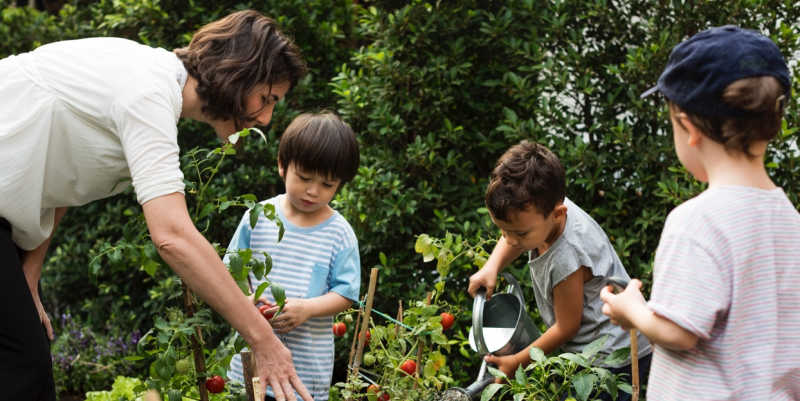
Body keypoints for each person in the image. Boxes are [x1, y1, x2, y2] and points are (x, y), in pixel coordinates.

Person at [0, 10, 315, 401]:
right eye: (266, 98)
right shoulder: (147, 90)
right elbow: (172, 236)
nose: (266, 118)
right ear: (238, 72)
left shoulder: (152, 85)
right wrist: (263, 340)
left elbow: (61, 176)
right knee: (22, 367)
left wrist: (29, 273)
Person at [600, 26, 800, 400]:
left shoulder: (697, 221)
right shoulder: (790, 220)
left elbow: (680, 332)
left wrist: (634, 311)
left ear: (689, 128)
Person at [467, 141, 652, 400]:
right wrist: (492, 266)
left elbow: (567, 327)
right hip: (591, 347)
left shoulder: (567, 256)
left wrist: (517, 362)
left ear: (557, 213)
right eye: (502, 230)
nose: (508, 240)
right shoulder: (544, 204)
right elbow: (514, 232)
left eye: (519, 233)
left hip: (611, 357)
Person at [225, 112, 361, 401]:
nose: (313, 191)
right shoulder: (258, 217)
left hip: (305, 374)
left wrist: (307, 309)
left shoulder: (339, 233)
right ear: (282, 166)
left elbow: (347, 293)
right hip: (249, 367)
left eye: (327, 185)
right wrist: (246, 299)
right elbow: (232, 269)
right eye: (304, 178)